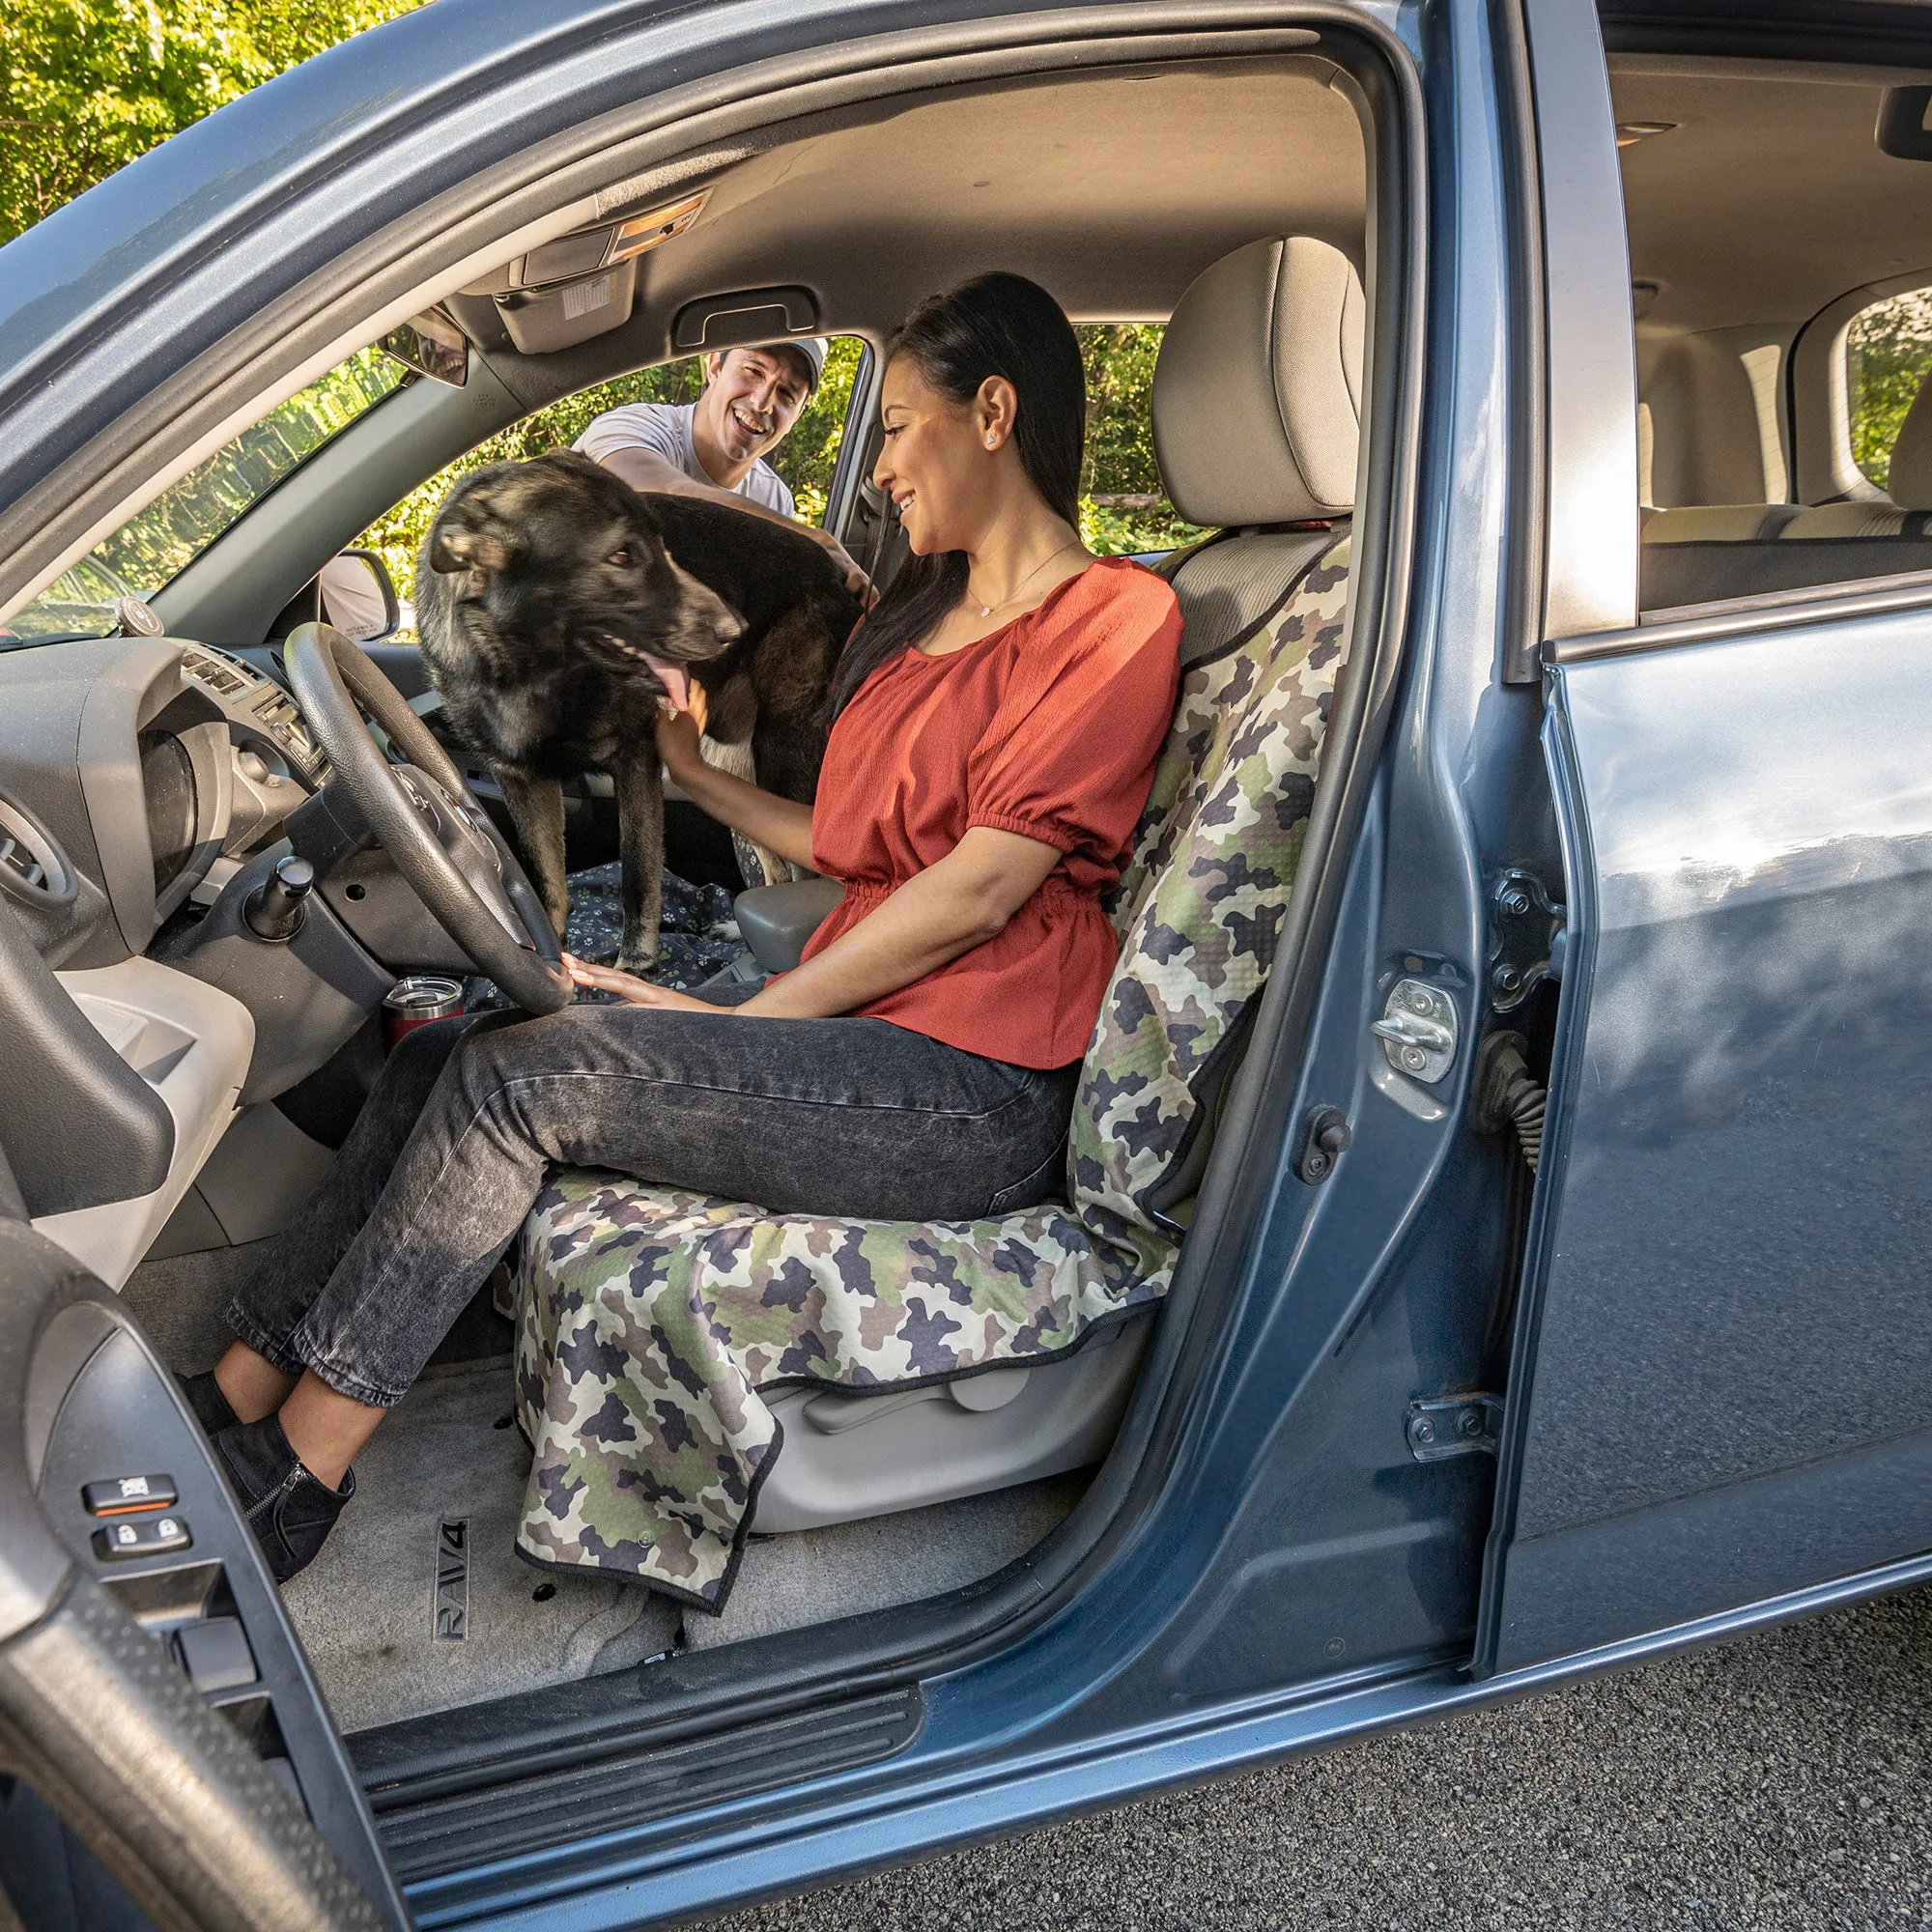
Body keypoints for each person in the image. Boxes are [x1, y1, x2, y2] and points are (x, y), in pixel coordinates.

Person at [182, 271, 1183, 1585]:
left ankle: (291, 1481)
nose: (879, 469)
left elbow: (983, 889)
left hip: (976, 1084)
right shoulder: (919, 625)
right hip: (867, 1039)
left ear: (993, 412)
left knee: (513, 1083)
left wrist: (732, 1026)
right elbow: (857, 847)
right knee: (448, 1049)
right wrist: (696, 768)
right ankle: (238, 1391)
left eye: (895, 428)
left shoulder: (1116, 616)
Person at [573, 337, 868, 594]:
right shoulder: (633, 428)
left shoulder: (774, 499)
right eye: (753, 371)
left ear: (798, 415)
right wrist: (812, 540)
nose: (762, 403)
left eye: (787, 393)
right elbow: (664, 493)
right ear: (714, 366)